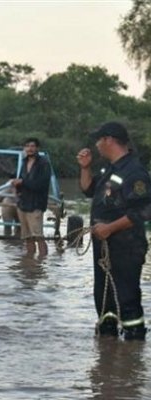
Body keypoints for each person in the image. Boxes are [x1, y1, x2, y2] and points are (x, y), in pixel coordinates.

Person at [77, 121, 151, 340]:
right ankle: (107, 353)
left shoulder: (134, 172)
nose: (97, 145)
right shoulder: (110, 168)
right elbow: (89, 189)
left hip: (126, 247)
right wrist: (84, 167)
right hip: (104, 247)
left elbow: (144, 211)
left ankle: (133, 350)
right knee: (104, 298)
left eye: (99, 140)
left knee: (126, 298)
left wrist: (109, 228)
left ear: (108, 140)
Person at [10, 138, 51, 256]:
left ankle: (42, 263)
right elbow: (21, 179)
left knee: (38, 236)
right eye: (27, 146)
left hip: (36, 204)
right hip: (23, 203)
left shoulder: (44, 163)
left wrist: (22, 182)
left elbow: (41, 184)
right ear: (24, 148)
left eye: (32, 146)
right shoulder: (23, 162)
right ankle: (29, 262)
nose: (30, 149)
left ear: (37, 148)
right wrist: (17, 186)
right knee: (27, 237)